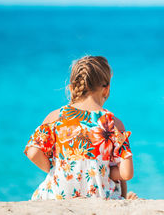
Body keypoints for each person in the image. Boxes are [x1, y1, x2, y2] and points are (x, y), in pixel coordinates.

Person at [24, 55, 137, 200]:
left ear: (71, 88)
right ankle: (122, 196)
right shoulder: (113, 123)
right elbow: (127, 173)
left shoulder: (57, 116)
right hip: (99, 195)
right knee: (116, 165)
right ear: (106, 89)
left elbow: (33, 153)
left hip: (57, 195)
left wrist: (57, 169)